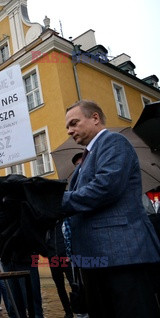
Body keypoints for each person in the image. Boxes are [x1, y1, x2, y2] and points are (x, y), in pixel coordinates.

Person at [62, 99, 160, 317]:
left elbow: (106, 188)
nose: (69, 131)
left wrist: (55, 202)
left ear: (95, 118)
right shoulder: (88, 156)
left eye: (74, 123)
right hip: (96, 257)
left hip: (120, 254)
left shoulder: (113, 142)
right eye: (68, 126)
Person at [45, 221, 74, 318]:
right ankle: (68, 312)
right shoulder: (48, 224)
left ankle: (77, 308)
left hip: (67, 257)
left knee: (74, 284)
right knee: (60, 287)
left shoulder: (66, 220)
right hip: (53, 257)